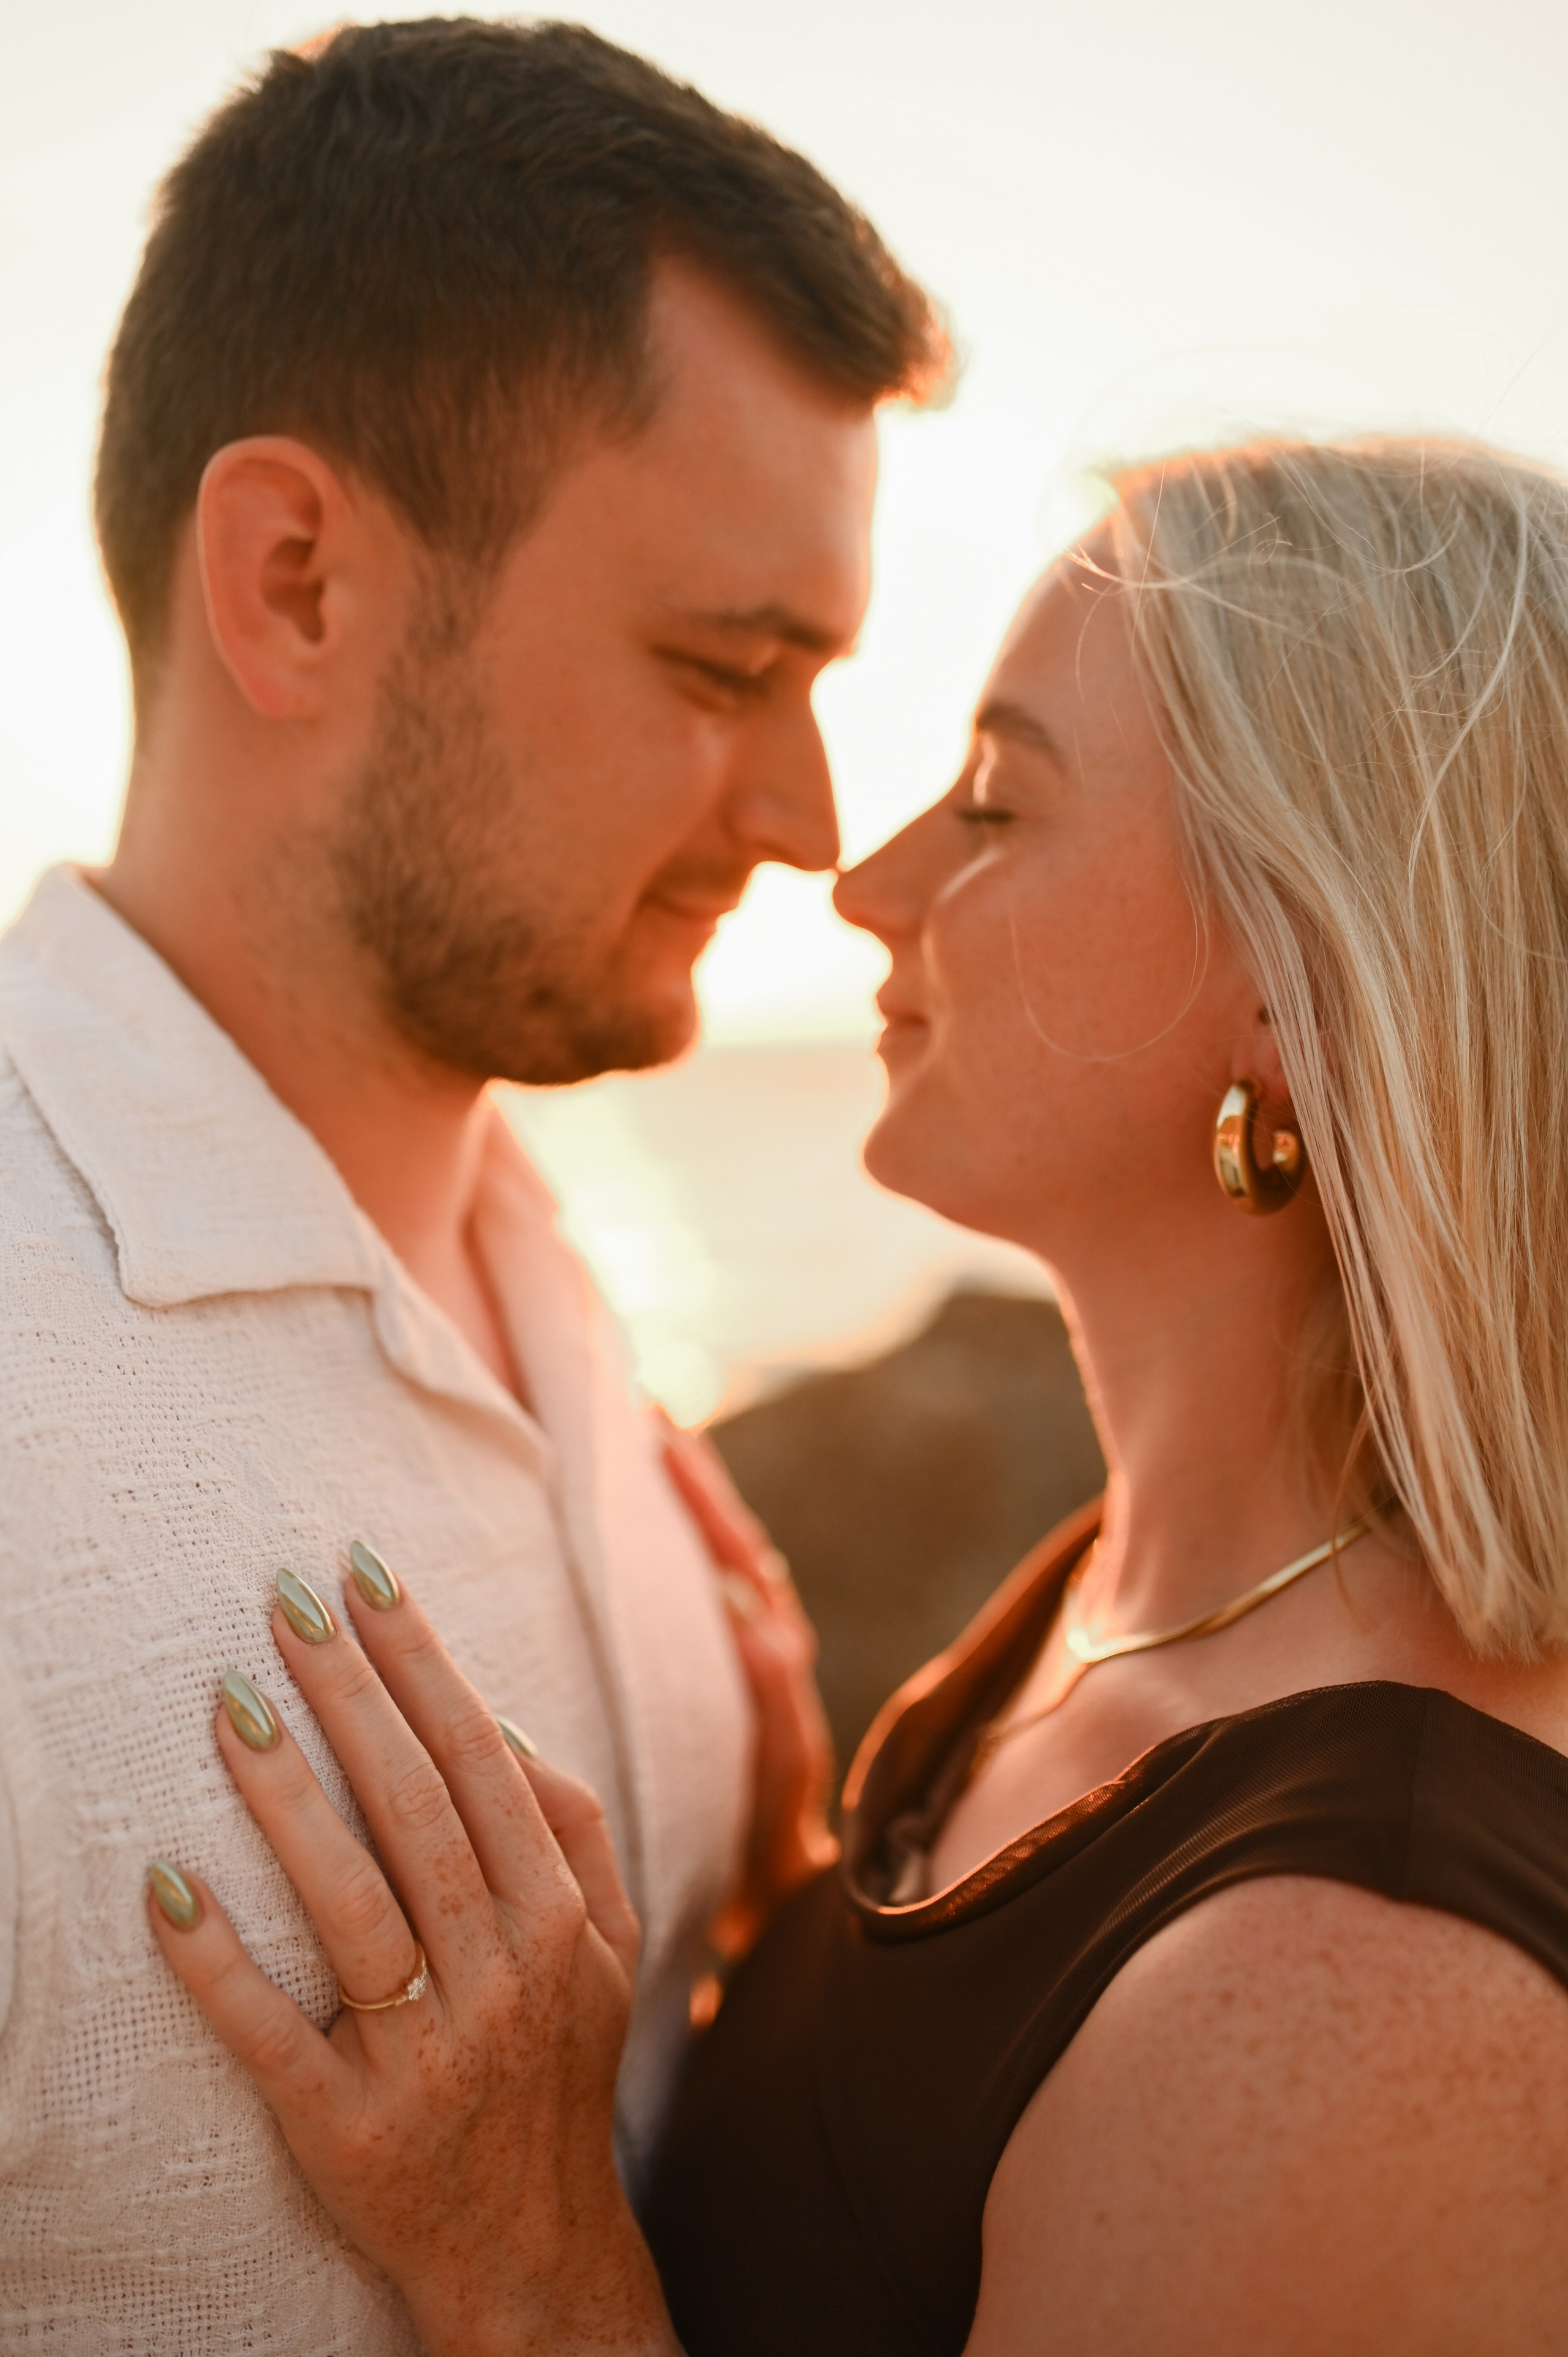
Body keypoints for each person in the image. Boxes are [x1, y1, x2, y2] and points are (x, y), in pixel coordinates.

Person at [154, 434, 1568, 2355]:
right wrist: (791, 1905)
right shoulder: (1120, 1603)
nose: (868, 879)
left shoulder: (1351, 1995)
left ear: (1295, 984)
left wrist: (524, 2259)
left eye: (996, 802)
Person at [0, 18, 946, 2348]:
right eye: (729, 663)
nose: (818, 818)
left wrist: (775, 1907)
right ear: (300, 579)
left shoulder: (551, 1243)